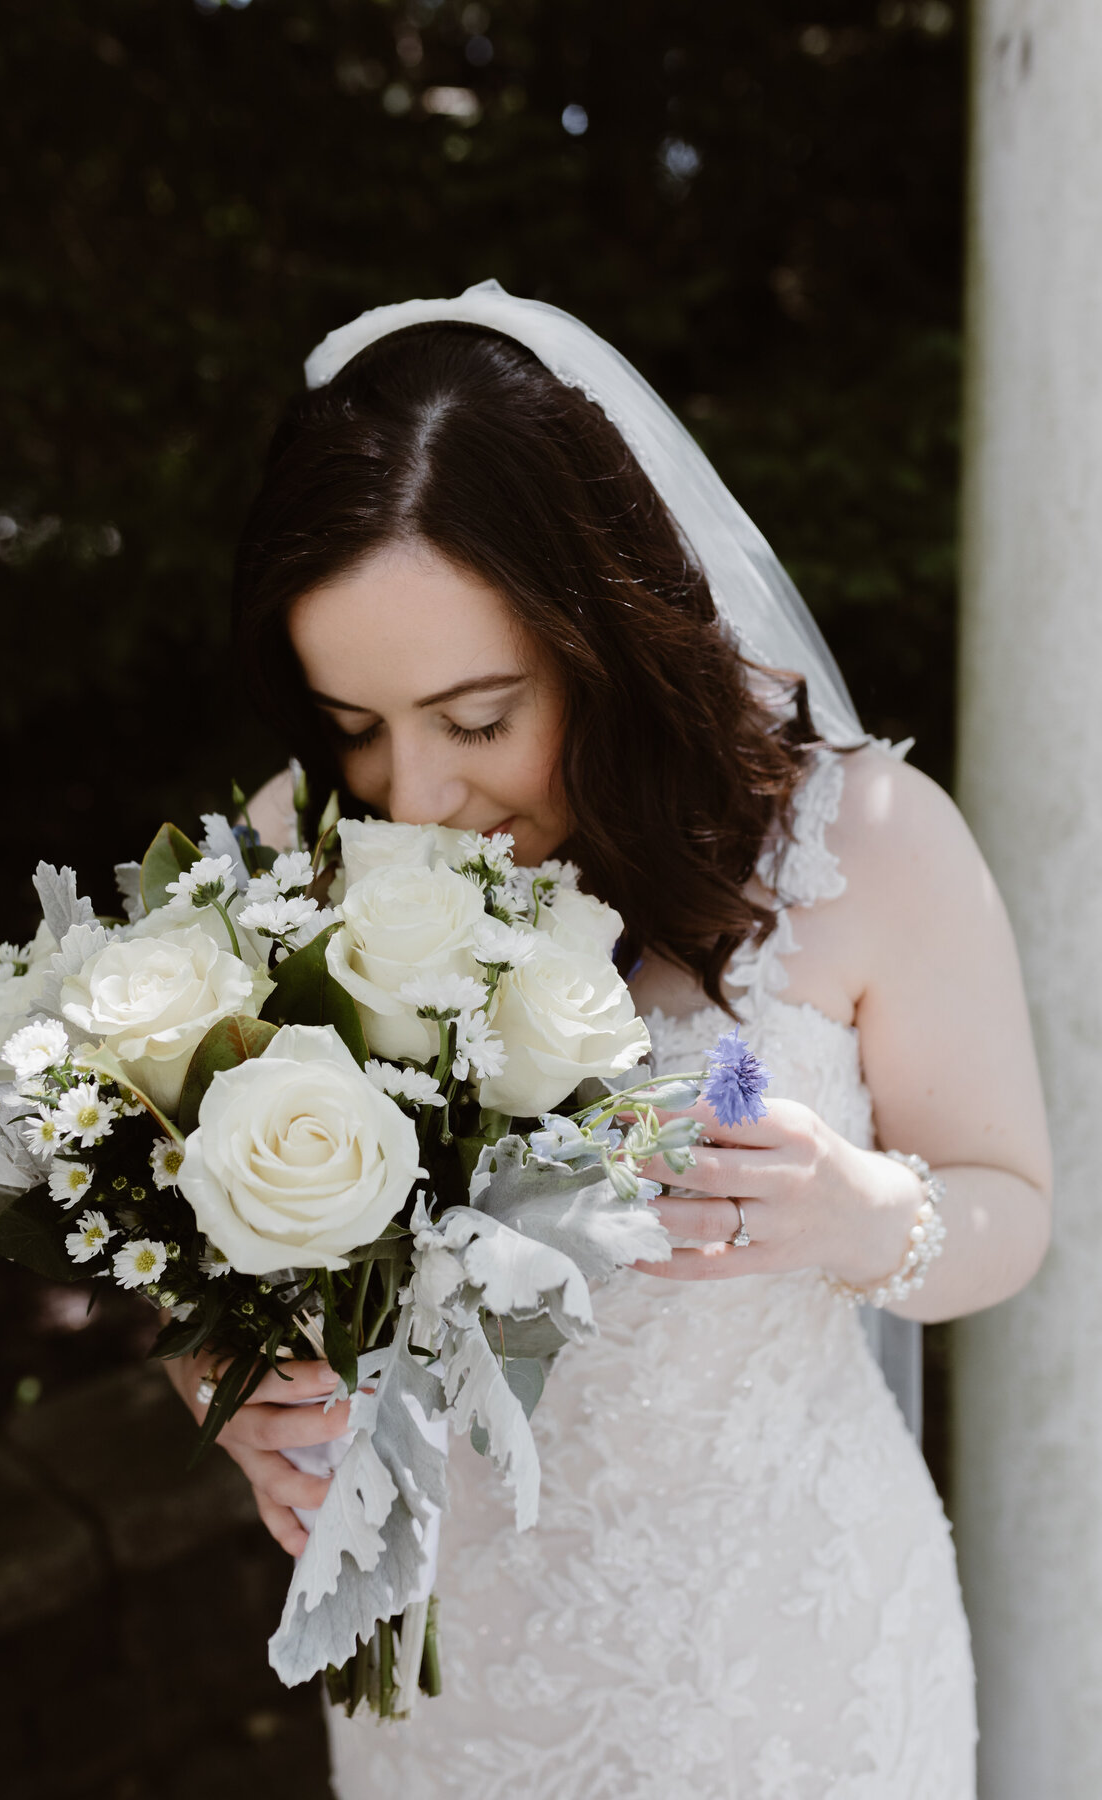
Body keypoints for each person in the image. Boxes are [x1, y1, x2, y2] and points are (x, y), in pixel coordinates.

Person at [164, 283, 1052, 1796]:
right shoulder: (287, 854)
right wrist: (229, 1386)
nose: (414, 793)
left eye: (478, 715)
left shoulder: (867, 846)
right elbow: (205, 1251)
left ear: (606, 637)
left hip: (787, 1671)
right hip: (454, 1681)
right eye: (358, 726)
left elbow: (1010, 1212)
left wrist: (862, 1212)